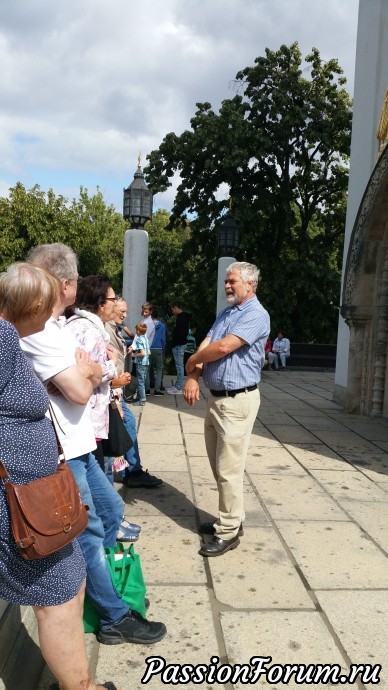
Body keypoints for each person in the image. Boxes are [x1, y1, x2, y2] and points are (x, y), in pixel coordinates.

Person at [22, 243, 166, 646]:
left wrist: (88, 370)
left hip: (80, 443)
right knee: (86, 531)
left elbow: (93, 372)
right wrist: (86, 371)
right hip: (62, 449)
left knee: (111, 510)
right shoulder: (38, 329)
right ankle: (113, 614)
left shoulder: (55, 328)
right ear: (65, 285)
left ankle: (91, 589)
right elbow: (81, 388)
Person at [0, 263, 121, 690]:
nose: (56, 311)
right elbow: (78, 386)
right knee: (57, 597)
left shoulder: (11, 337)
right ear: (33, 306)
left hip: (36, 494)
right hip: (17, 504)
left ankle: (76, 682)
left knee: (69, 583)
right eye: (49, 303)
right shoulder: (3, 339)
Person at [184, 261, 270, 557]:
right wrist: (193, 374)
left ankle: (229, 531)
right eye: (226, 281)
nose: (227, 286)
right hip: (216, 399)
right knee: (219, 466)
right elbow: (210, 341)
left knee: (228, 469)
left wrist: (193, 360)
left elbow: (221, 348)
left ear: (250, 284)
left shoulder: (256, 314)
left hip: (237, 401)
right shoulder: (227, 313)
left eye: (232, 281)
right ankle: (233, 518)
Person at [105, 299, 162, 488]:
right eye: (121, 311)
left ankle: (126, 470)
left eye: (126, 311)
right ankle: (130, 471)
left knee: (123, 427)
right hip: (112, 389)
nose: (124, 314)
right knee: (124, 427)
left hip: (116, 388)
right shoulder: (106, 329)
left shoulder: (115, 329)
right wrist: (115, 385)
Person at [167, 300, 192, 395]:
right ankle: (178, 385)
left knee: (179, 366)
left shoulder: (181, 319)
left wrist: (174, 342)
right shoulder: (184, 317)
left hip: (179, 345)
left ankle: (178, 388)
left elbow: (179, 334)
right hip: (181, 344)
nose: (172, 311)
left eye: (172, 309)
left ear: (176, 307)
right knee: (180, 366)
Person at [128, 323, 150, 406]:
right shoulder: (146, 339)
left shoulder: (139, 340)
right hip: (146, 362)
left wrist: (134, 355)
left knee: (140, 382)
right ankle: (140, 397)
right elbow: (149, 352)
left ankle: (142, 400)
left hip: (140, 363)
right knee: (142, 381)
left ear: (138, 331)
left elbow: (143, 353)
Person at [149, 308, 167, 396]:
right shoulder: (162, 326)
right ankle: (157, 389)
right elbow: (163, 339)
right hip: (159, 349)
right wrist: (163, 348)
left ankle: (147, 389)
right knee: (159, 369)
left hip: (148, 349)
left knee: (147, 369)